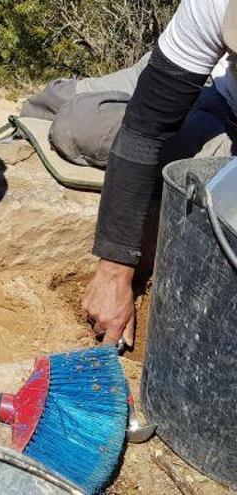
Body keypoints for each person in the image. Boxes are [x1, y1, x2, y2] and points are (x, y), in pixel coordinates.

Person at [79, 0, 237, 346]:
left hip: (218, 124)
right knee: (77, 119)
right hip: (204, 79)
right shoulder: (214, 5)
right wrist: (114, 272)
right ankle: (57, 96)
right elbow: (143, 129)